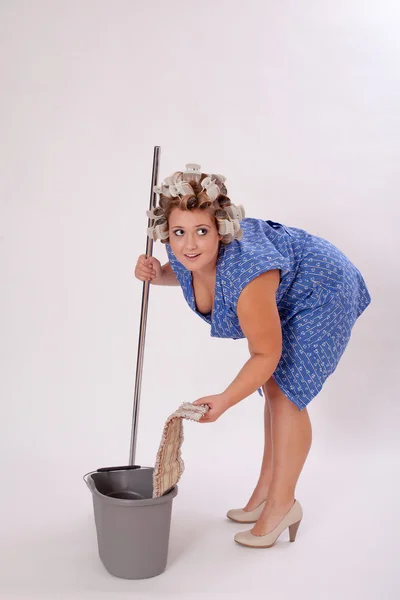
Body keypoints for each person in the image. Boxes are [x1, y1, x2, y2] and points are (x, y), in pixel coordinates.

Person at [134, 163, 371, 549]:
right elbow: (183, 268)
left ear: (221, 232)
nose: (189, 244)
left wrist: (225, 399)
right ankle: (264, 493)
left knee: (286, 392)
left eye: (202, 232)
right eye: (179, 232)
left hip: (323, 288)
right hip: (291, 286)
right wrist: (154, 273)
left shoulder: (249, 276)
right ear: (167, 231)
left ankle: (283, 505)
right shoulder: (181, 249)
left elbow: (265, 353)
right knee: (276, 389)